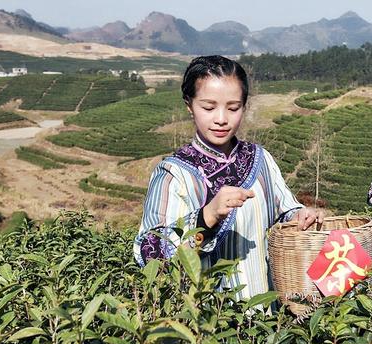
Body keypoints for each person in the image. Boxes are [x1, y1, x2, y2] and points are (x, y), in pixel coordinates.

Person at [134, 55, 324, 299]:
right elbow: (151, 254)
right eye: (209, 107)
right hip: (206, 325)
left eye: (233, 108)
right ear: (189, 105)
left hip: (266, 316)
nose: (222, 119)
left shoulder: (260, 159)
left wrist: (302, 216)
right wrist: (207, 216)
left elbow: (285, 212)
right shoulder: (173, 174)